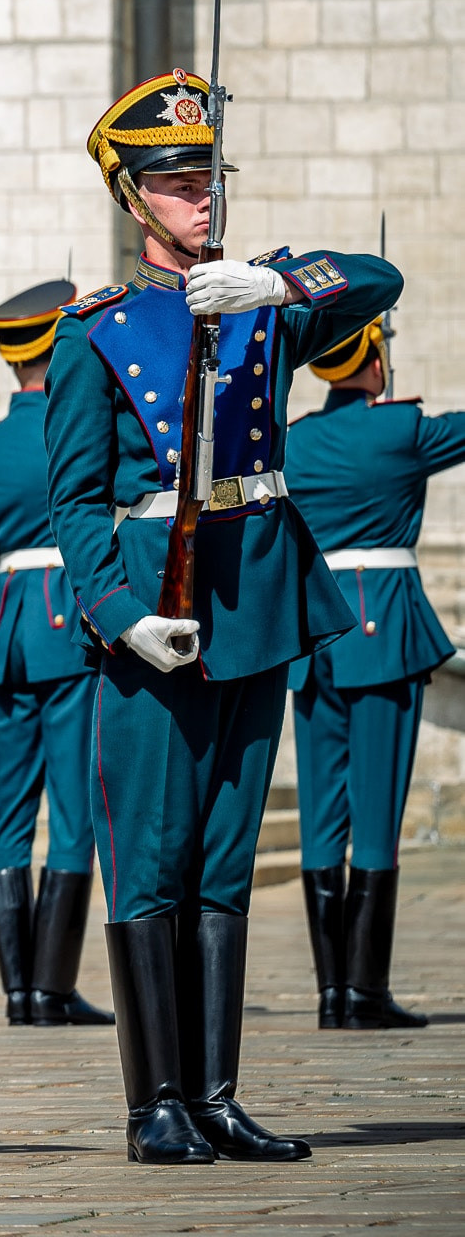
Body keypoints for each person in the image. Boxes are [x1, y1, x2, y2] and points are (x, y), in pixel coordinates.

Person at [45, 68, 398, 1165]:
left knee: (225, 860)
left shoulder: (263, 303)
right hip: (158, 604)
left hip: (255, 598)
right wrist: (119, 614)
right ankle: (155, 1100)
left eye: (210, 179)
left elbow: (377, 279)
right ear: (132, 198)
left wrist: (272, 286)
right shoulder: (95, 332)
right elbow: (74, 500)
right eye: (178, 183)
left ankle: (216, 1093)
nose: (203, 199)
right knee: (151, 857)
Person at [283, 316, 461, 1030]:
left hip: (315, 634)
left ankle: (332, 993)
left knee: (322, 813)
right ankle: (366, 992)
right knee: (378, 812)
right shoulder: (399, 430)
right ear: (374, 360)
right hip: (382, 626)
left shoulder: (295, 440)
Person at [0, 282, 111, 1028]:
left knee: (6, 814)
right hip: (69, 623)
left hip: (2, 631)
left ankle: (18, 989)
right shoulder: (81, 430)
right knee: (75, 811)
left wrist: (0, 616)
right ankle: (52, 987)